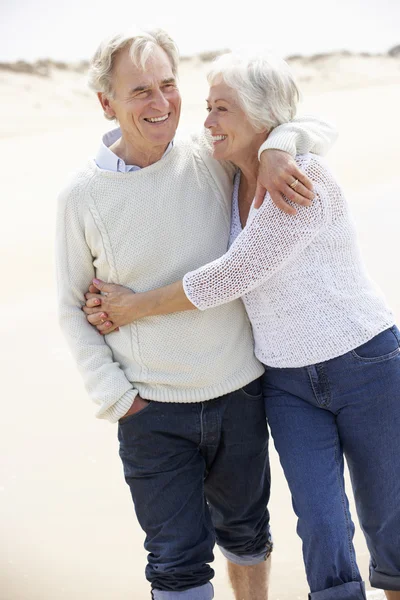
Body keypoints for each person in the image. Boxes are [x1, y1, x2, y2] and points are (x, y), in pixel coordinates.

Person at [84, 51, 400, 600]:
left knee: (387, 518)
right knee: (321, 522)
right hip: (286, 383)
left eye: (220, 109)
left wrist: (134, 306)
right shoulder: (228, 169)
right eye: (207, 106)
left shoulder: (302, 180)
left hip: (364, 363)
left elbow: (232, 275)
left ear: (261, 117)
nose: (206, 122)